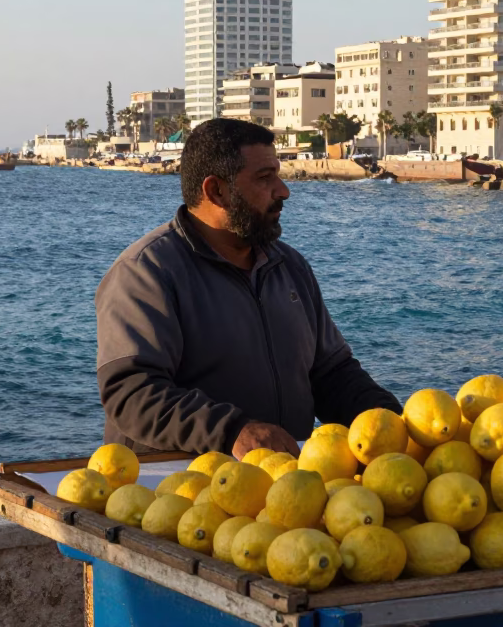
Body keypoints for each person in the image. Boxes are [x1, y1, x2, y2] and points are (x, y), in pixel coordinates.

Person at [94, 119, 400, 459]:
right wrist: (232, 431)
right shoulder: (146, 272)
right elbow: (132, 393)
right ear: (217, 191)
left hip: (283, 490)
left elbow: (332, 373)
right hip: (175, 493)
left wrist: (388, 419)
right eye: (265, 178)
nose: (283, 191)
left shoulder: (289, 266)